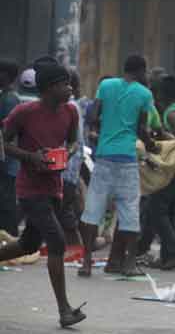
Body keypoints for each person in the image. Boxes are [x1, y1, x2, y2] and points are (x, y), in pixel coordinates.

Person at [0, 63, 86, 327]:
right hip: (29, 188)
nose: (70, 89)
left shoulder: (71, 112)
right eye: (65, 84)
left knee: (28, 245)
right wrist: (30, 157)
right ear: (49, 89)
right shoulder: (24, 112)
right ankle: (65, 310)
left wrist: (67, 152)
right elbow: (4, 141)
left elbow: (72, 141)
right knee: (57, 242)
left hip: (53, 187)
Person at [78, 55, 159, 278]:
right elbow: (142, 128)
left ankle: (86, 263)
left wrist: (104, 129)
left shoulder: (106, 85)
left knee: (93, 209)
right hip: (127, 158)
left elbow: (93, 115)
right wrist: (152, 144)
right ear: (142, 71)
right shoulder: (144, 94)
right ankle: (129, 263)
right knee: (129, 210)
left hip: (104, 156)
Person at [140, 75, 175, 270]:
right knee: (172, 212)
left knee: (157, 210)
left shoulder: (170, 113)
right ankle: (172, 257)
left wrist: (160, 142)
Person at [60, 70, 84, 247]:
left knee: (64, 207)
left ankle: (76, 244)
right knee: (62, 206)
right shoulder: (68, 106)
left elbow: (74, 141)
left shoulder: (71, 107)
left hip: (67, 166)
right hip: (65, 165)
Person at [0, 59, 21, 236]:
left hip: (7, 158)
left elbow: (7, 131)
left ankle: (11, 236)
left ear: (6, 76)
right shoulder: (6, 96)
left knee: (6, 199)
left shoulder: (9, 99)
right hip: (6, 157)